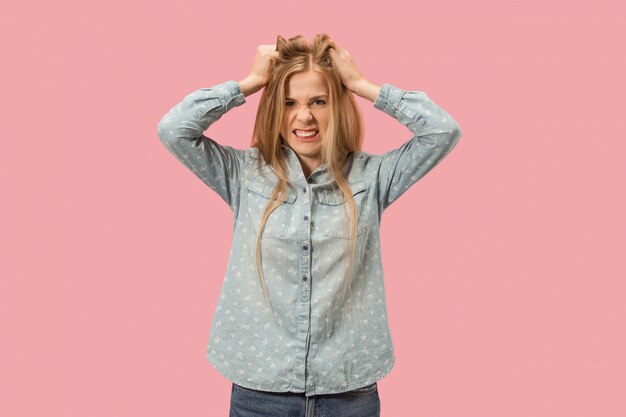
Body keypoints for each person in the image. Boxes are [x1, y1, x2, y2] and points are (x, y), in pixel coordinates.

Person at [157, 33, 462, 417]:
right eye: (289, 103)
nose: (304, 117)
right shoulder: (244, 174)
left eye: (319, 101)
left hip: (348, 390)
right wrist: (248, 83)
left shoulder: (372, 177)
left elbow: (441, 131)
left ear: (338, 106)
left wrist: (360, 85)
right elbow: (174, 128)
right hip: (259, 389)